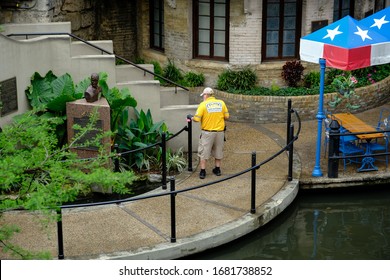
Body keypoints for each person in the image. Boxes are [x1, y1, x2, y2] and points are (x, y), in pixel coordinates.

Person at [192, 87, 229, 179]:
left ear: (206, 95)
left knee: (204, 152)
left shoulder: (203, 105)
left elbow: (197, 119)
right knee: (218, 150)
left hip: (207, 133)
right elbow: (227, 116)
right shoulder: (221, 103)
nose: (203, 97)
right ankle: (217, 169)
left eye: (203, 95)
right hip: (220, 133)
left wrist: (191, 118)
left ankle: (203, 171)